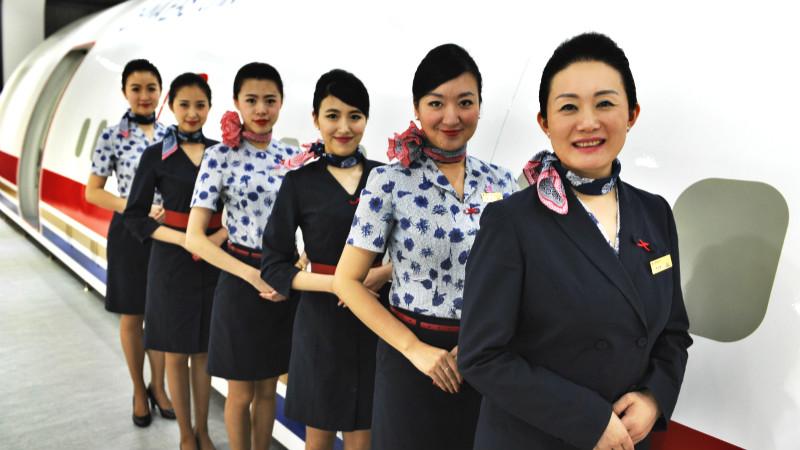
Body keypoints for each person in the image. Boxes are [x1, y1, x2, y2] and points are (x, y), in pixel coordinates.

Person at [457, 32, 693, 450]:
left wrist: (654, 397)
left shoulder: (655, 213)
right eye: (569, 107)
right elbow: (481, 356)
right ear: (544, 123)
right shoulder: (511, 222)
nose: (588, 122)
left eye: (604, 104)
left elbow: (673, 332)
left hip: (627, 439)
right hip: (534, 438)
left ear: (632, 113)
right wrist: (589, 419)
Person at [331, 44, 518, 450]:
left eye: (465, 102)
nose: (451, 117)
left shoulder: (503, 183)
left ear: (480, 106)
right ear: (416, 108)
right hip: (410, 359)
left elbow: (518, 278)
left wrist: (481, 343)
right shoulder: (389, 181)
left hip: (487, 358)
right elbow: (346, 281)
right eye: (436, 103)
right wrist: (415, 350)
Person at [261, 69, 391, 450]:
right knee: (317, 437)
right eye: (332, 115)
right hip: (320, 322)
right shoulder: (299, 182)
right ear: (316, 119)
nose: (344, 127)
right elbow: (274, 265)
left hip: (376, 318)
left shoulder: (387, 178)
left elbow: (411, 251)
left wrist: (383, 272)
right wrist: (338, 284)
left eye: (355, 116)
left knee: (363, 436)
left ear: (366, 119)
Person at [185, 62, 300, 450]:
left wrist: (296, 265)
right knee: (240, 393)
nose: (261, 109)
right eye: (251, 100)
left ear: (281, 102)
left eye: (270, 100)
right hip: (240, 278)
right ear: (237, 102)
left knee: (268, 389)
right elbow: (195, 239)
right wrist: (251, 275)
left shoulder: (291, 157)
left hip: (281, 275)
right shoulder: (219, 156)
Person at [123, 72, 224, 450]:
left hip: (212, 260)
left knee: (204, 354)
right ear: (172, 106)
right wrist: (184, 239)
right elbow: (135, 216)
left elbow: (237, 212)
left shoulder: (222, 152)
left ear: (210, 107)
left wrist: (213, 240)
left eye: (200, 105)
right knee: (177, 353)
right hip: (170, 261)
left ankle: (204, 431)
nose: (192, 113)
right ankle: (185, 434)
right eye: (184, 105)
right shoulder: (156, 155)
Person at [85, 58, 173, 427]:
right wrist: (135, 206)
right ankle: (139, 389)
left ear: (160, 92)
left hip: (166, 234)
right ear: (124, 92)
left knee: (161, 315)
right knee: (133, 316)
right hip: (128, 233)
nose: (144, 95)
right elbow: (93, 192)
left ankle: (159, 387)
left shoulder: (172, 136)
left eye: (151, 88)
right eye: (136, 88)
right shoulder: (112, 136)